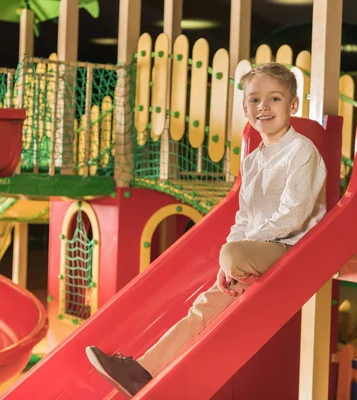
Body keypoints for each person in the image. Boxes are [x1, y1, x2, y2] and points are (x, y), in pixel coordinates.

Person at [85, 62, 327, 398]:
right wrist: (225, 265)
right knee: (203, 307)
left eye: (274, 98)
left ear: (293, 105)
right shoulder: (254, 159)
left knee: (232, 256)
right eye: (255, 100)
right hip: (256, 252)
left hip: (293, 247)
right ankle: (143, 370)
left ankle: (235, 266)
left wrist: (237, 255)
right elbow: (244, 216)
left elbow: (294, 216)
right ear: (245, 108)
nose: (263, 107)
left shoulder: (301, 151)